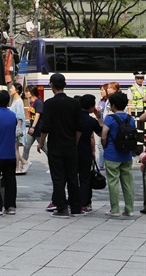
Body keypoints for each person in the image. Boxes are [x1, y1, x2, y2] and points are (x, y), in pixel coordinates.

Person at [37, 73, 83, 218]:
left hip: (55, 145)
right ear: (65, 84)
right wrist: (75, 141)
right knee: (72, 177)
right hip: (70, 145)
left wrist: (41, 142)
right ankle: (76, 207)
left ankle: (62, 207)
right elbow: (79, 127)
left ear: (51, 85)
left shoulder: (49, 103)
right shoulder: (75, 103)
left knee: (58, 177)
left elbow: (45, 126)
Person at [101, 91, 135, 217]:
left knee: (113, 182)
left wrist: (105, 147)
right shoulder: (130, 119)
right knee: (127, 182)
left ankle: (114, 209)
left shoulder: (110, 118)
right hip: (126, 154)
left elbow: (104, 136)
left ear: (113, 105)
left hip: (112, 154)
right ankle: (129, 209)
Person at [76, 94, 103, 214]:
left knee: (71, 178)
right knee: (85, 179)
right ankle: (83, 204)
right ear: (91, 107)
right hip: (85, 151)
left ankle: (72, 202)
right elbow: (102, 134)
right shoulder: (91, 121)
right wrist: (99, 118)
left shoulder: (72, 118)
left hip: (71, 151)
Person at [23, 85, 45, 164]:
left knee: (44, 148)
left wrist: (33, 127)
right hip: (32, 129)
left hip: (38, 129)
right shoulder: (32, 102)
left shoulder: (38, 102)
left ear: (32, 93)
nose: (25, 93)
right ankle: (23, 164)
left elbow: (37, 115)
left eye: (27, 91)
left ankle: (54, 163)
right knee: (26, 147)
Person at [9, 83, 28, 173]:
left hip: (17, 128)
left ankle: (17, 168)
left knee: (15, 148)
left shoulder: (19, 101)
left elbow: (20, 116)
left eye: (12, 88)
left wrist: (19, 128)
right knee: (14, 148)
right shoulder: (15, 100)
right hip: (14, 127)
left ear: (16, 90)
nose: (10, 89)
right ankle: (24, 162)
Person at [127, 71, 145, 155]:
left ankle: (140, 150)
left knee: (142, 131)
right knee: (135, 131)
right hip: (135, 112)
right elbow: (129, 102)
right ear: (135, 79)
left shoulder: (145, 88)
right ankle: (135, 150)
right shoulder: (131, 89)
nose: (140, 80)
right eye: (138, 78)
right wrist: (129, 114)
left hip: (143, 111)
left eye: (141, 78)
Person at [96, 84, 109, 169]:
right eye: (100, 90)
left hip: (105, 125)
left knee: (101, 145)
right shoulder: (101, 101)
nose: (101, 92)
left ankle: (101, 164)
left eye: (102, 90)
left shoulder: (108, 102)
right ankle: (101, 163)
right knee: (100, 145)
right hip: (100, 124)